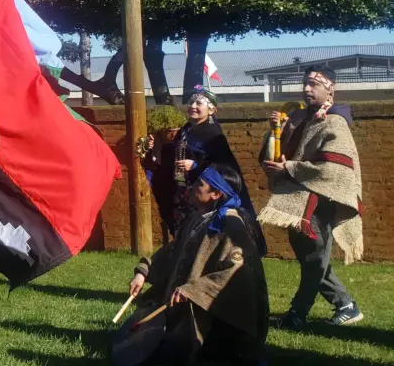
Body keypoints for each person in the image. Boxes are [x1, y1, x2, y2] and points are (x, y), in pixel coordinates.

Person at [116, 165, 268, 366]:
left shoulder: (231, 225)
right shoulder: (197, 217)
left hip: (211, 319)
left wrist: (195, 290)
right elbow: (174, 249)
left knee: (163, 357)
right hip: (179, 312)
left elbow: (239, 272)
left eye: (199, 184)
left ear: (215, 194)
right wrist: (143, 272)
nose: (191, 186)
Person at [260, 67, 364, 329]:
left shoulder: (335, 121)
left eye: (312, 85)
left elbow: (334, 169)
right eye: (304, 84)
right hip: (295, 200)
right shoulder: (297, 119)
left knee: (314, 260)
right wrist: (277, 131)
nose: (306, 89)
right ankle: (346, 305)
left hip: (320, 203)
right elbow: (277, 153)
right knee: (313, 259)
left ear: (330, 88)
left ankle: (298, 314)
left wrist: (290, 168)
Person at [144, 86, 260, 243]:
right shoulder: (185, 130)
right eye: (191, 102)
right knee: (182, 233)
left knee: (199, 235)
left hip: (204, 195)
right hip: (182, 190)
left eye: (199, 103)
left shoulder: (214, 135)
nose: (193, 106)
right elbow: (174, 153)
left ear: (211, 110)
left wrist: (195, 165)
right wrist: (156, 149)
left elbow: (222, 166)